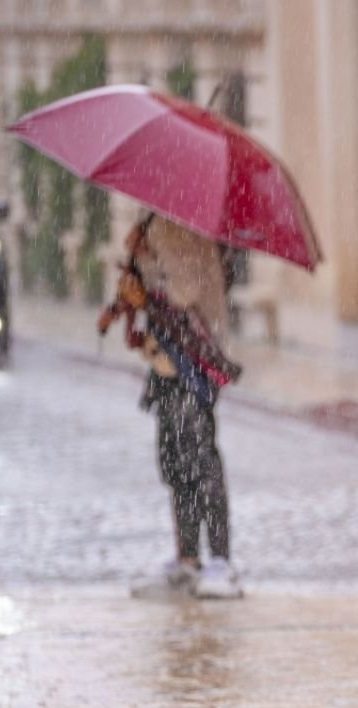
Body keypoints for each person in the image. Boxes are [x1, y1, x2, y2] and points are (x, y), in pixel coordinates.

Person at [109, 214, 243, 600]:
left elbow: (182, 294)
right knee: (173, 462)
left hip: (193, 364)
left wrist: (146, 268)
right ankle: (187, 560)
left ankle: (221, 562)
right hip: (166, 364)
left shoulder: (182, 222)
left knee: (200, 460)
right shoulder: (155, 217)